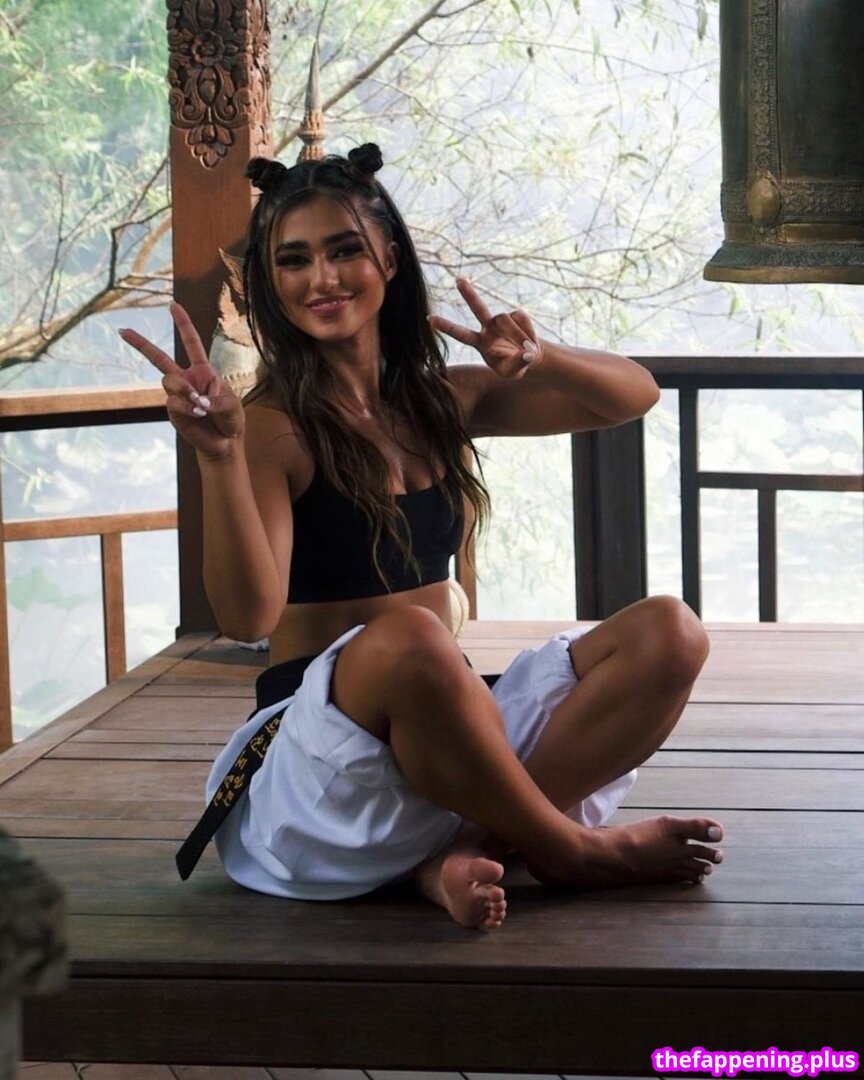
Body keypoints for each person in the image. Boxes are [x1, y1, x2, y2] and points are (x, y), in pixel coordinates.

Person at [120, 142, 723, 931]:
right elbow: (247, 617)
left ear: (390, 260)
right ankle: (572, 850)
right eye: (294, 260)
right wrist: (220, 458)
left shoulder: (437, 403)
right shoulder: (272, 428)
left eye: (344, 251)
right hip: (324, 762)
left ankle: (472, 846)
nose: (321, 279)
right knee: (411, 635)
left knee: (670, 631)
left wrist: (541, 356)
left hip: (448, 735)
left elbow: (631, 397)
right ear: (271, 281)